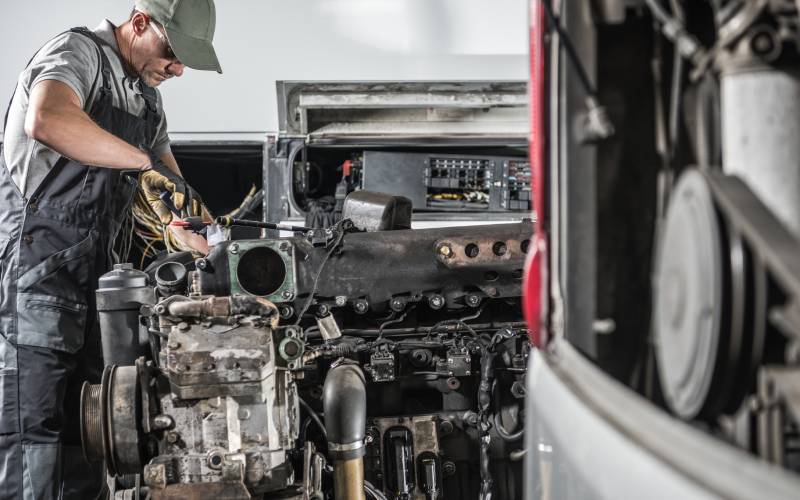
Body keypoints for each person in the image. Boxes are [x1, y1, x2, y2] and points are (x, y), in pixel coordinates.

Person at [0, 0, 221, 498]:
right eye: (172, 52)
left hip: (102, 291)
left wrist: (212, 242)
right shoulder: (77, 53)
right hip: (38, 279)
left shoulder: (146, 100)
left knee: (94, 434)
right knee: (32, 435)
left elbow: (175, 197)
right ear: (139, 23)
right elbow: (49, 119)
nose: (178, 68)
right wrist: (140, 162)